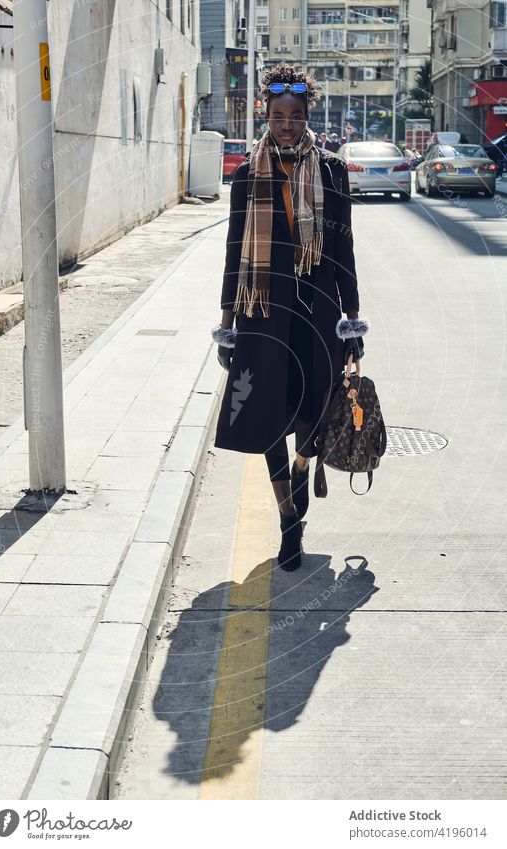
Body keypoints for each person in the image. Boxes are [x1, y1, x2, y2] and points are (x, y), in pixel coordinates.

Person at [211, 63, 368, 572]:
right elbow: (236, 250)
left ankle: (300, 485)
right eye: (278, 115)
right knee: (265, 416)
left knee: (313, 412)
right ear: (266, 115)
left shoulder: (331, 170)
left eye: (295, 115)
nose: (286, 124)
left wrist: (353, 318)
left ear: (307, 115)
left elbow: (342, 248)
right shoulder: (245, 175)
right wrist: (227, 321)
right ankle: (288, 520)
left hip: (318, 314)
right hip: (262, 313)